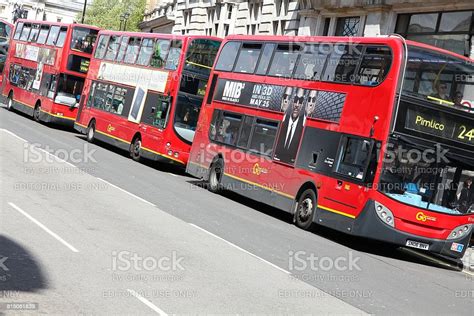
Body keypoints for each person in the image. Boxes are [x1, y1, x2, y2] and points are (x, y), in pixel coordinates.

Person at [274, 87, 305, 165]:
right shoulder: (281, 121)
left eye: (300, 101)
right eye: (295, 100)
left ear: (303, 104)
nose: (297, 105)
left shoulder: (303, 126)